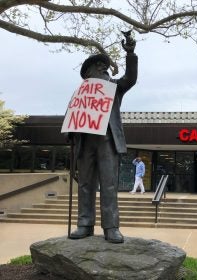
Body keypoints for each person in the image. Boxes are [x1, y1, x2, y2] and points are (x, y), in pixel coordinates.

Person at [69, 32, 138, 243]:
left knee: (109, 184)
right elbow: (70, 121)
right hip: (85, 143)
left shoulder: (114, 87)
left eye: (103, 66)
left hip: (108, 142)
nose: (101, 68)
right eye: (96, 66)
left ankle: (111, 227)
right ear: (88, 72)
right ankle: (84, 224)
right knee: (85, 184)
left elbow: (131, 78)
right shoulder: (81, 93)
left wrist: (131, 54)